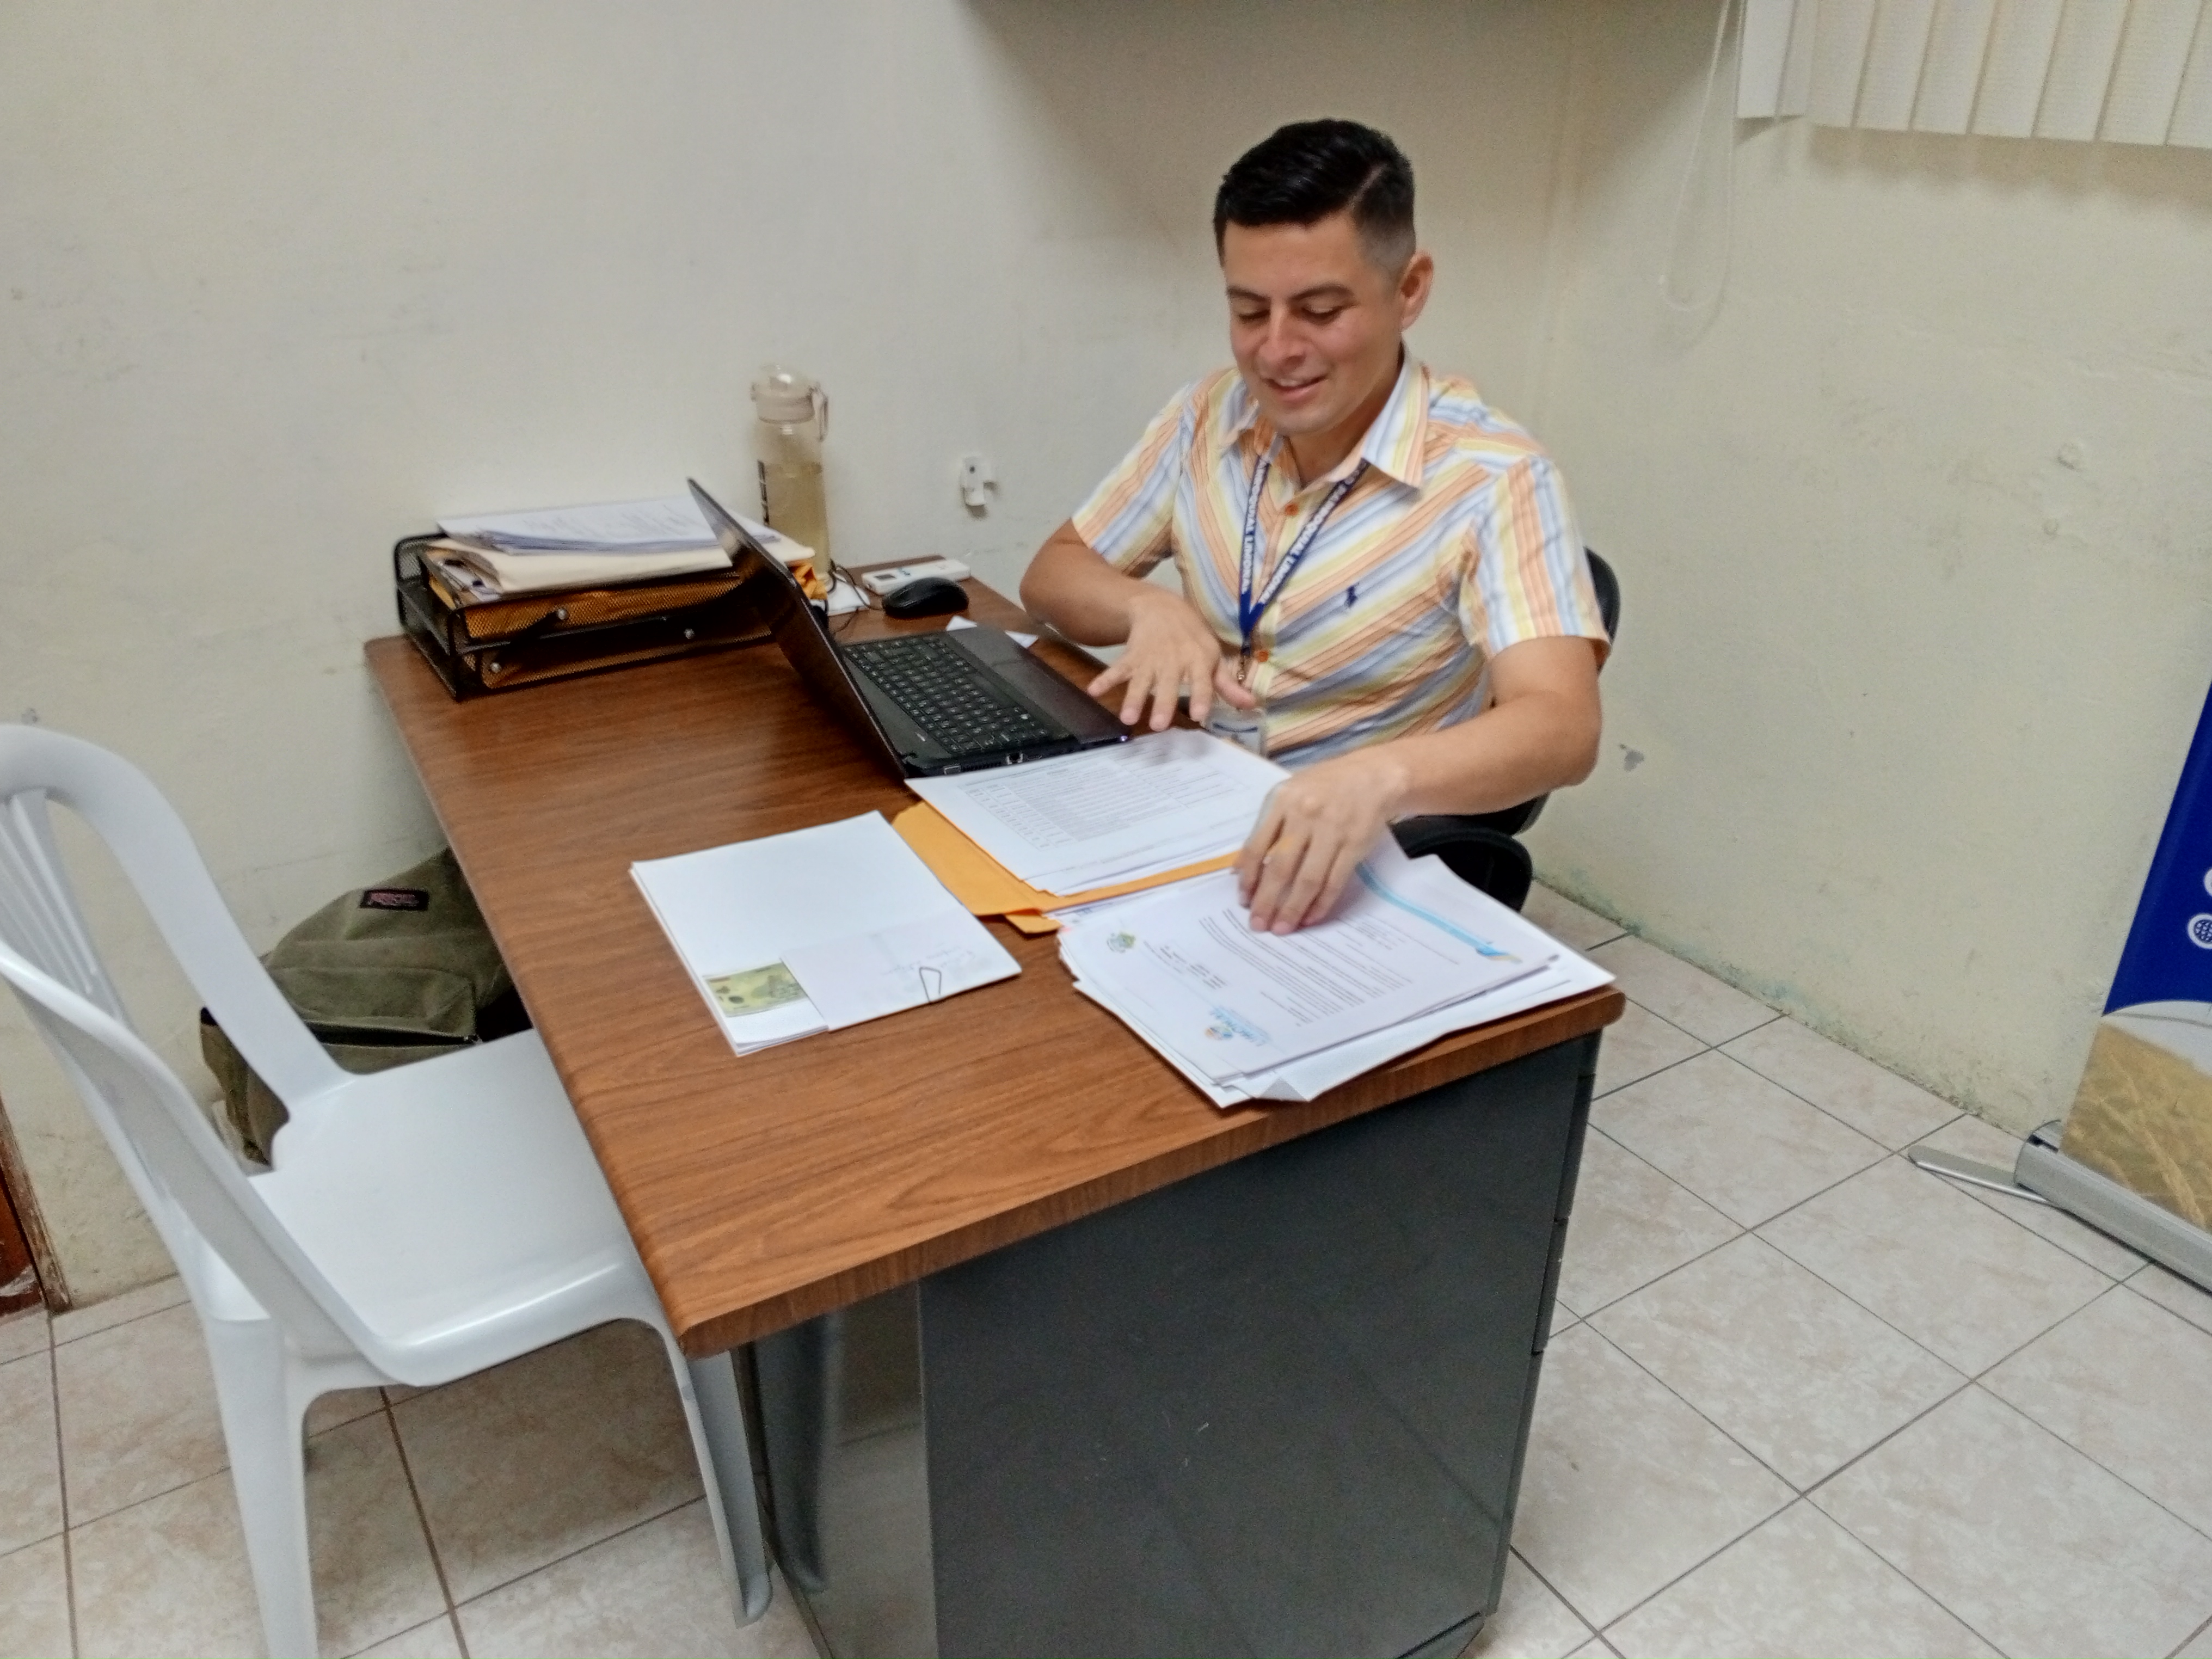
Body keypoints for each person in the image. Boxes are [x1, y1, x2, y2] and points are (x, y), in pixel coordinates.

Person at [1019, 118, 1610, 935]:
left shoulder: (1495, 477)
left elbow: (1564, 726)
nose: (1276, 351)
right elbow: (1053, 572)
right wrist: (1145, 607)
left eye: (1320, 311)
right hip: (1188, 810)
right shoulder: (1207, 415)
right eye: (1249, 312)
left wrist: (1380, 778)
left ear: (1410, 290)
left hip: (1352, 857)